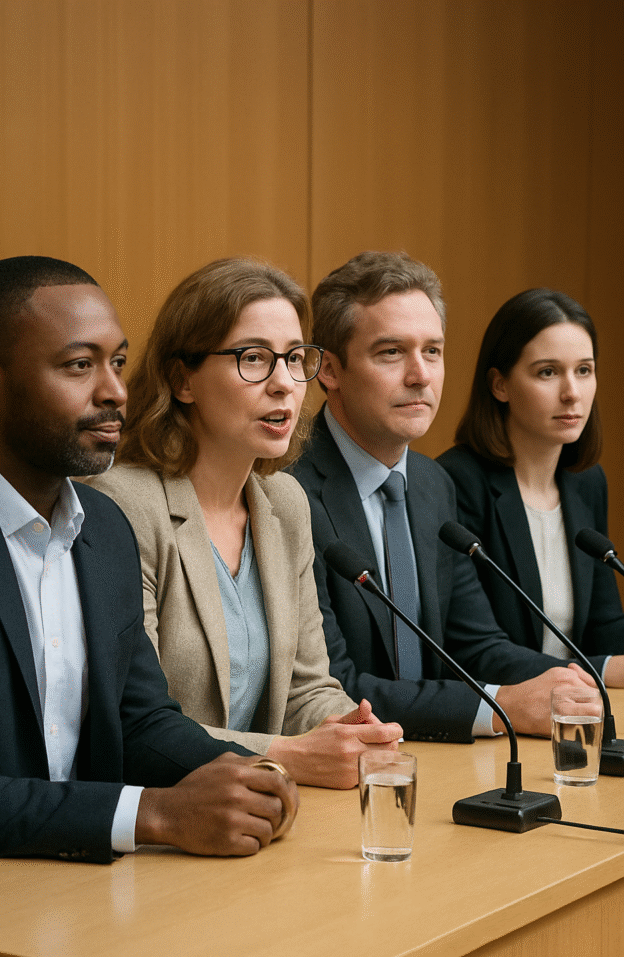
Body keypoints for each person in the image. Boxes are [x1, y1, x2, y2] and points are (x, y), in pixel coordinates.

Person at [0, 255, 299, 875]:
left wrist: (246, 776)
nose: (115, 392)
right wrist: (153, 816)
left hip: (79, 897)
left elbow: (139, 720)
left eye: (118, 362)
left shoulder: (103, 527)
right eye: (80, 366)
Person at [90, 257, 402, 788]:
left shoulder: (284, 503)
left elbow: (307, 687)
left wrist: (350, 728)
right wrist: (291, 755)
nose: (285, 385)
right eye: (254, 358)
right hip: (161, 818)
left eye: (295, 359)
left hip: (256, 808)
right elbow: (136, 723)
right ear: (181, 378)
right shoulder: (120, 504)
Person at [290, 251, 595, 743]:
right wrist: (497, 709)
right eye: (391, 352)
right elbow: (333, 686)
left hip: (432, 759)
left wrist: (578, 683)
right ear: (329, 370)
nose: (421, 375)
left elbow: (476, 644)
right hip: (344, 763)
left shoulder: (433, 484)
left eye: (432, 351)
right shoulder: (290, 494)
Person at [437, 287, 624, 684]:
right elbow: (476, 650)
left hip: (576, 709)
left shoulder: (585, 482)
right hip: (503, 716)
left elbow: (606, 629)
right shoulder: (456, 482)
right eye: (548, 372)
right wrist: (601, 670)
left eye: (584, 370)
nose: (572, 392)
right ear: (499, 384)